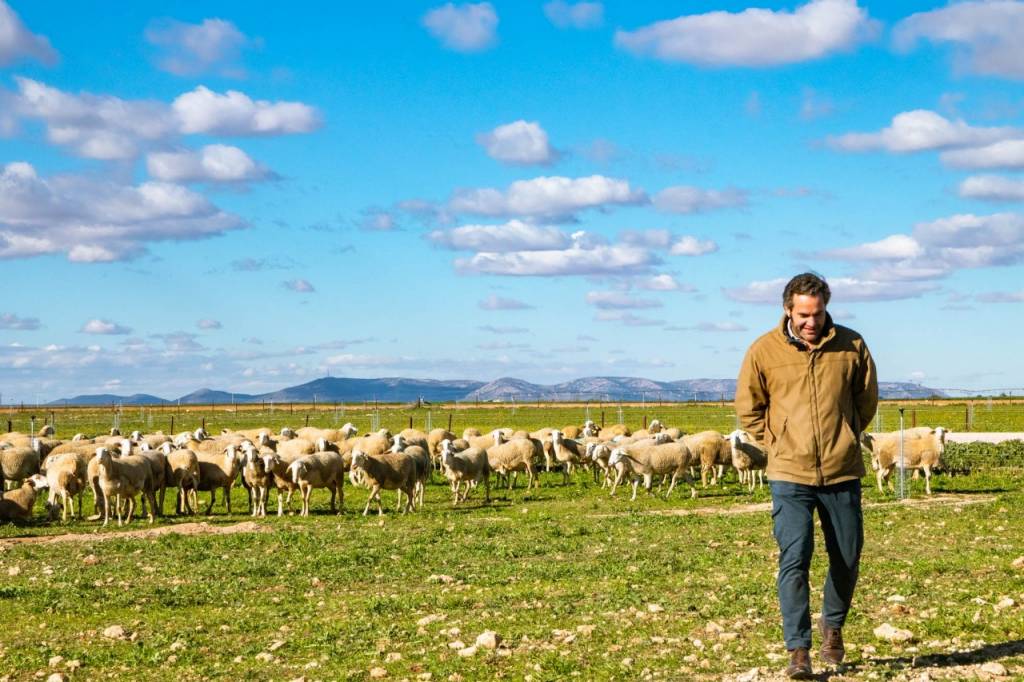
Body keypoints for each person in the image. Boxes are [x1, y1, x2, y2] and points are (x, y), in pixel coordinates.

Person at [735, 272, 878, 680]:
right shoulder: (763, 350)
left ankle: (832, 624)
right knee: (794, 557)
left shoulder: (851, 345)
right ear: (787, 310)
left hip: (841, 470)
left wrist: (847, 434)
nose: (810, 322)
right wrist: (777, 442)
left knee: (847, 557)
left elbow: (865, 400)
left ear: (826, 308)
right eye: (802, 314)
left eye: (816, 313)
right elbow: (749, 407)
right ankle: (798, 650)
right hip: (789, 473)